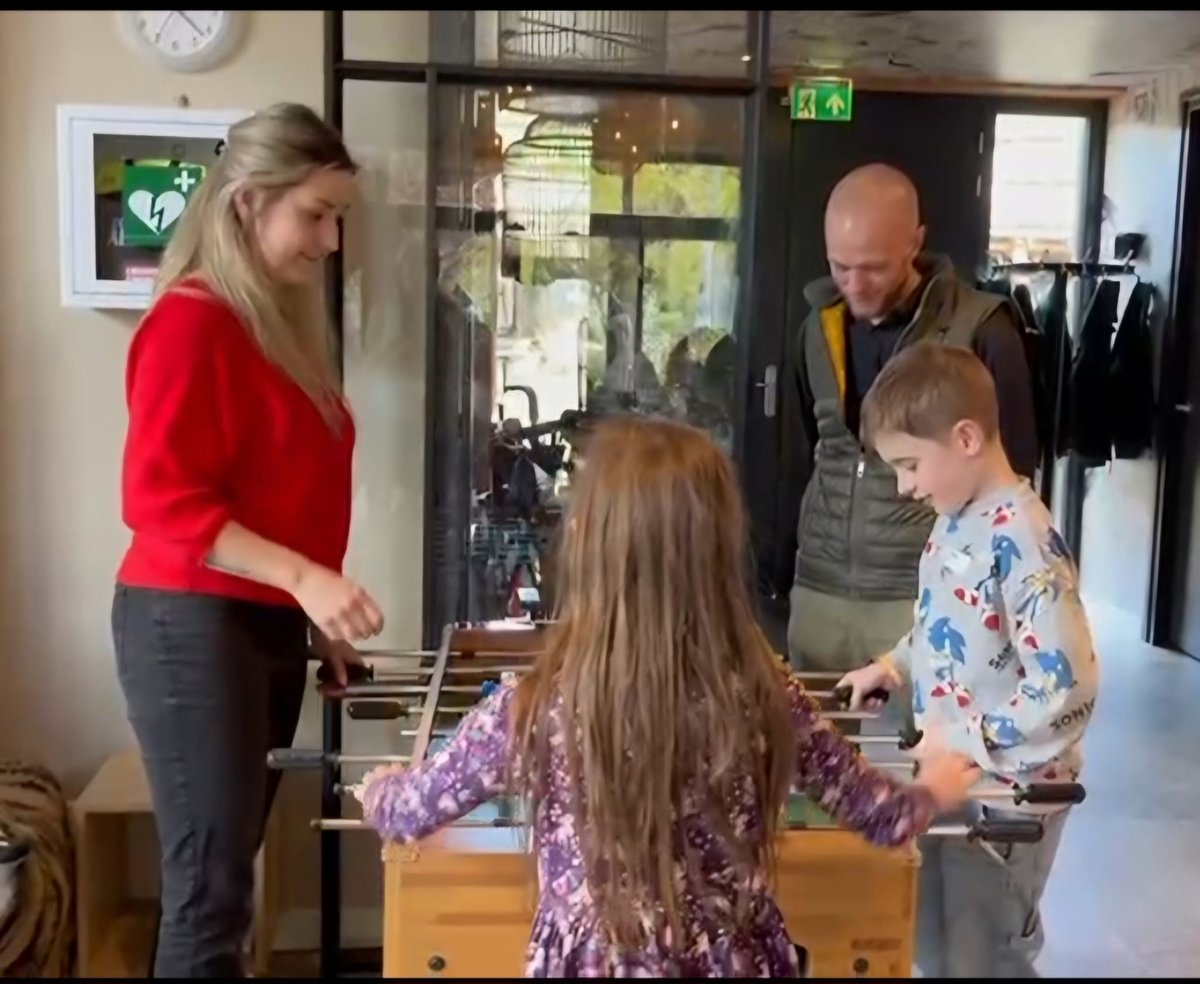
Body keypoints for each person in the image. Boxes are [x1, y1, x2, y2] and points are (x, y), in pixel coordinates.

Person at [355, 416, 981, 978]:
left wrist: (378, 786)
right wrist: (937, 786)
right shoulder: (766, 692)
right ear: (716, 549)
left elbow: (410, 810)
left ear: (589, 544)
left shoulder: (534, 706)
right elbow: (880, 813)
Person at [110, 103, 385, 977]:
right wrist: (306, 580)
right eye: (315, 213)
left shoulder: (272, 325)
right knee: (211, 896)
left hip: (251, 623)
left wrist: (316, 617)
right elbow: (160, 501)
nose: (330, 239)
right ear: (246, 204)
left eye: (338, 216)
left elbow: (281, 500)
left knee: (227, 888)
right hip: (189, 625)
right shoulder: (193, 322)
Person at [837, 342, 1100, 977]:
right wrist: (894, 665)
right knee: (935, 943)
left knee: (984, 955)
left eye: (909, 465)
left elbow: (1070, 688)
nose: (904, 486)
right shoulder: (957, 518)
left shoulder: (1023, 540)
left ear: (965, 438)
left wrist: (964, 737)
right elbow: (948, 623)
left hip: (1010, 793)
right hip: (956, 775)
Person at [787, 163, 1040, 706]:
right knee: (811, 780)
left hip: (923, 601)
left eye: (873, 268)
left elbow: (1014, 477)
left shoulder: (982, 328)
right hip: (819, 597)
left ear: (916, 243)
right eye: (840, 266)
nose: (854, 284)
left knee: (923, 783)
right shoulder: (816, 326)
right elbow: (817, 444)